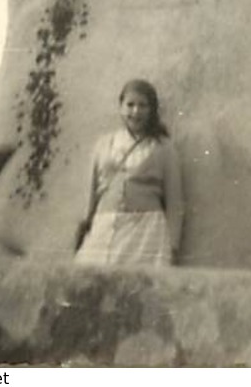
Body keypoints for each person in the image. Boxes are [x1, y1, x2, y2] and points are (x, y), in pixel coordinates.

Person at [74, 79, 184, 268]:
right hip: (105, 226)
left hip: (145, 232)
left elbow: (175, 201)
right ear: (120, 107)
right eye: (130, 105)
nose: (136, 112)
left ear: (152, 110)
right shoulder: (104, 144)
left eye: (143, 106)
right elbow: (90, 190)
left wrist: (173, 246)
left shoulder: (163, 148)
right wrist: (85, 223)